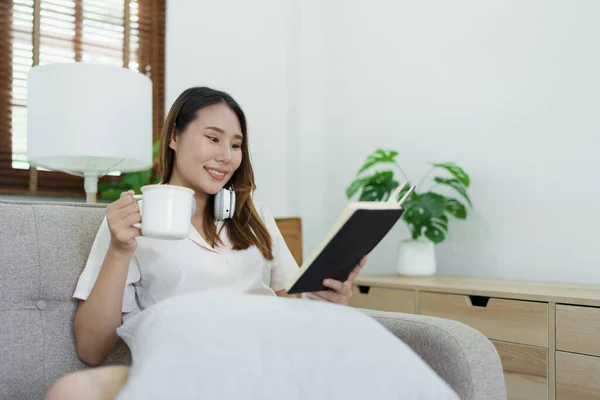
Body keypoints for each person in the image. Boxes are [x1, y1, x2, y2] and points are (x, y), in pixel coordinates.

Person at [44, 86, 367, 400]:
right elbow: (90, 349)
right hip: (185, 367)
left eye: (236, 145)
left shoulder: (255, 216)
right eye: (213, 138)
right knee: (72, 391)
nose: (226, 156)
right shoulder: (131, 220)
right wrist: (119, 250)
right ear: (174, 136)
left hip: (267, 356)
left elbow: (295, 309)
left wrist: (328, 301)